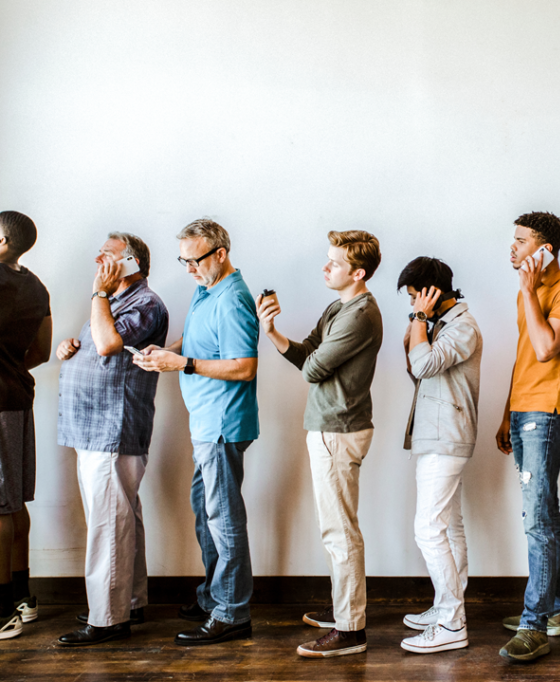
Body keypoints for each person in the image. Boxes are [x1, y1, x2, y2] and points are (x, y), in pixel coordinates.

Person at [257, 230, 383, 658]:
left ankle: (351, 630)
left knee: (340, 531)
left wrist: (305, 355)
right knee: (336, 528)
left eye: (334, 263)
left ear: (358, 272)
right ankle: (344, 612)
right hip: (329, 427)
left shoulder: (360, 315)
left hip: (338, 431)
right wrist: (271, 330)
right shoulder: (339, 306)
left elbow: (312, 369)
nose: (325, 268)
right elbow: (308, 351)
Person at [134, 218, 259, 646]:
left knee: (224, 519)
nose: (187, 268)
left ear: (219, 254)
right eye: (183, 260)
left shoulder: (233, 298)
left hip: (223, 424)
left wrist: (182, 365)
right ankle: (213, 596)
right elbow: (194, 341)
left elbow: (244, 367)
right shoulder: (205, 289)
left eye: (194, 260)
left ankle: (232, 612)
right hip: (204, 422)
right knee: (207, 512)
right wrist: (164, 353)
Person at [55, 233, 168, 646]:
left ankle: (108, 617)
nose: (98, 257)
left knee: (109, 524)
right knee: (122, 518)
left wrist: (97, 296)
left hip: (112, 429)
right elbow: (97, 345)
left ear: (132, 262)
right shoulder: (112, 300)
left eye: (108, 253)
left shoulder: (146, 303)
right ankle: (130, 602)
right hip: (94, 428)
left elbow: (107, 344)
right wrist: (72, 347)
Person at [496, 211, 560, 662]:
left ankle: (535, 625)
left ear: (545, 248)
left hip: (549, 412)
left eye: (521, 241)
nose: (512, 248)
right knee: (545, 513)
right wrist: (506, 412)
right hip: (525, 409)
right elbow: (522, 355)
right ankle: (551, 612)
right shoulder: (529, 292)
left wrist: (529, 292)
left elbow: (547, 346)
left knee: (537, 518)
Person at [394, 257, 482, 655]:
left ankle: (451, 621)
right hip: (437, 435)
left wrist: (418, 318)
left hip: (447, 437)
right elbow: (416, 368)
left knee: (428, 529)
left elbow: (424, 363)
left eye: (415, 295)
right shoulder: (440, 325)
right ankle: (450, 606)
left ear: (431, 292)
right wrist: (421, 322)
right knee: (448, 525)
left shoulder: (462, 326)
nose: (412, 304)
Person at [0, 211, 51, 640]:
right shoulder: (37, 288)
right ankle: (22, 596)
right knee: (13, 501)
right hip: (18, 397)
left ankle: (2, 612)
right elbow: (43, 350)